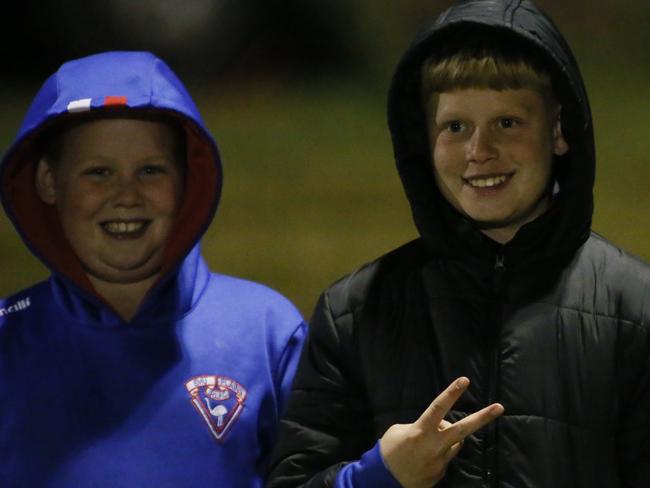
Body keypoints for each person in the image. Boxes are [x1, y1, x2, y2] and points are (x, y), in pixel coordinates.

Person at [267, 0, 650, 487]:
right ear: (423, 142)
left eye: (508, 123)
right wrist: (378, 476)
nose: (480, 151)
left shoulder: (635, 307)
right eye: (455, 127)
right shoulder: (356, 311)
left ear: (558, 132)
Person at [0, 51, 306, 487]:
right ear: (48, 182)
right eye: (98, 172)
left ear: (187, 180)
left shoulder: (265, 330)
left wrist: (385, 471)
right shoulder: (8, 341)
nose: (126, 195)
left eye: (150, 170)